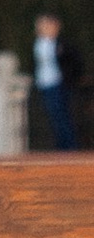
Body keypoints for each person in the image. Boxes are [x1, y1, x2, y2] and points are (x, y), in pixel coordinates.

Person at [32, 13, 82, 153]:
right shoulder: (38, 44)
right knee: (54, 116)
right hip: (45, 84)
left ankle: (70, 147)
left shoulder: (62, 43)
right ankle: (61, 146)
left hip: (58, 84)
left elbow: (75, 62)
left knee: (63, 116)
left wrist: (70, 79)